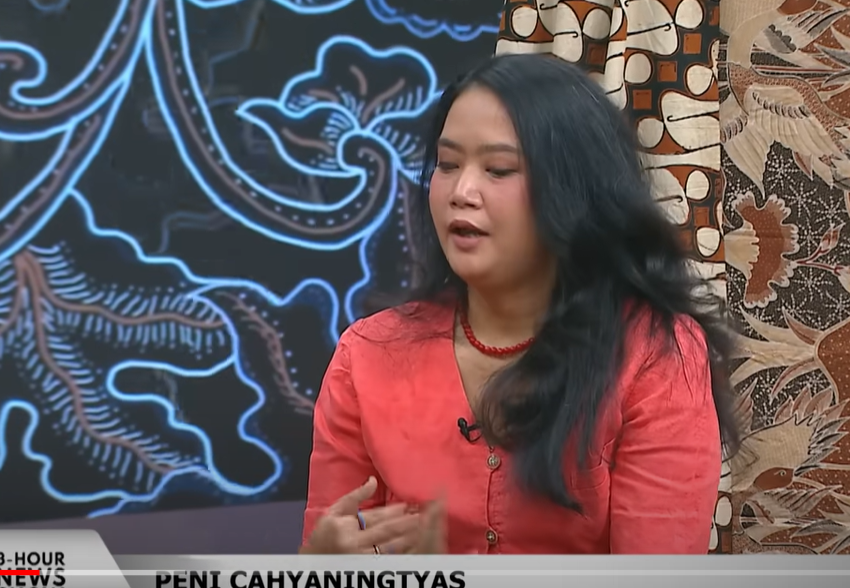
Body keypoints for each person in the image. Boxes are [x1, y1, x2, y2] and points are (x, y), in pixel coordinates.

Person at [299, 53, 740, 555]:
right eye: (447, 164)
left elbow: (653, 587)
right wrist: (321, 571)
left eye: (499, 169)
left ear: (576, 191)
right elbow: (325, 561)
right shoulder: (367, 354)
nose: (461, 191)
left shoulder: (654, 354)